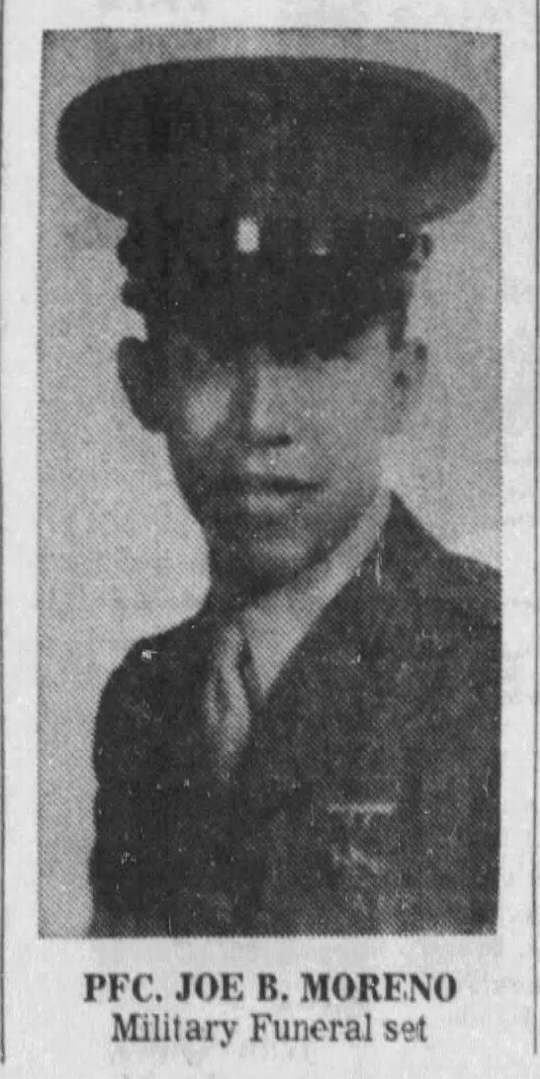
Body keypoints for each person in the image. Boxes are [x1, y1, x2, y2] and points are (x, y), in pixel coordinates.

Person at [58, 55, 501, 937]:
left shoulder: (498, 675)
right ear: (142, 384)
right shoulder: (146, 699)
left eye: (316, 355)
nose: (260, 420)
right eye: (211, 357)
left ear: (401, 383)